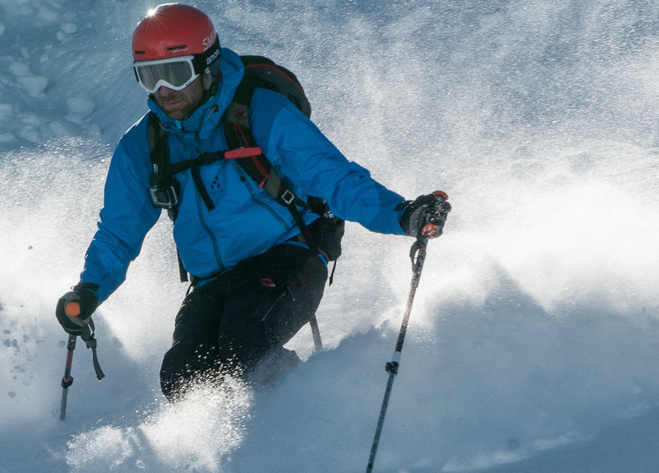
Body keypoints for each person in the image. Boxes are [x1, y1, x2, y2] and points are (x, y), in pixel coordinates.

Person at [56, 3, 450, 402]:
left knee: (244, 341)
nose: (163, 91)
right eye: (149, 77)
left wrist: (402, 214)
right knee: (182, 376)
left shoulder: (262, 112)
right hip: (213, 279)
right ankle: (234, 441)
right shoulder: (143, 146)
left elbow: (334, 179)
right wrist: (89, 291)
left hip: (289, 252)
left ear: (206, 65)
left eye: (175, 74)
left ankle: (316, 412)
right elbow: (118, 231)